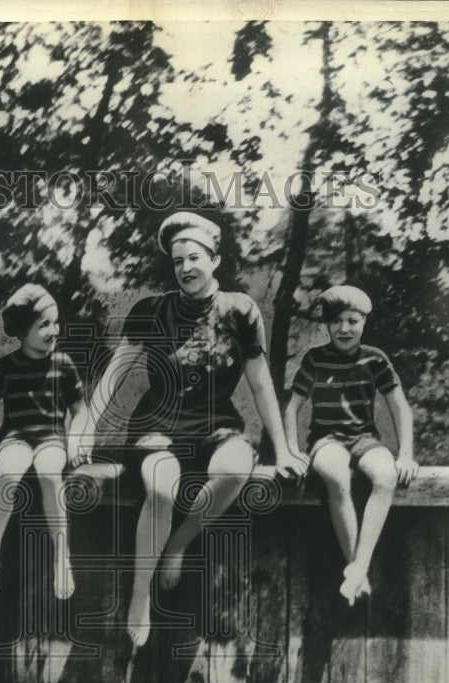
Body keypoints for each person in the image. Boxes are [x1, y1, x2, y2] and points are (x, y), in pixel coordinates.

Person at [77, 211, 306, 646]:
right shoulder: (152, 310)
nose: (186, 268)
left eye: (195, 257)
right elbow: (114, 375)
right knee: (161, 490)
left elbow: (261, 385)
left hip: (215, 425)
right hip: (156, 425)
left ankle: (178, 545)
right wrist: (87, 426)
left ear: (215, 260)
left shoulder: (240, 311)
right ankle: (139, 596)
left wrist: (286, 451)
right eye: (178, 260)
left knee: (237, 467)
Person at [283, 285, 419, 605]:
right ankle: (357, 571)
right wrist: (291, 450)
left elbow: (400, 408)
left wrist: (406, 455)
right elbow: (291, 408)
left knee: (385, 476)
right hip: (327, 439)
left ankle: (359, 566)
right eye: (336, 321)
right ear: (327, 325)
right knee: (336, 476)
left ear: (364, 323)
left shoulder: (375, 359)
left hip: (364, 437)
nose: (344, 328)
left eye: (352, 321)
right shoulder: (315, 359)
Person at [0, 285, 87, 600]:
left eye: (55, 322)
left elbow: (81, 411)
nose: (53, 331)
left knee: (49, 473)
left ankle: (62, 557)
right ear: (22, 332)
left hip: (51, 437)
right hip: (15, 437)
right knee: (9, 472)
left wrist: (76, 441)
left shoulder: (63, 364)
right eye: (43, 325)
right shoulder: (6, 367)